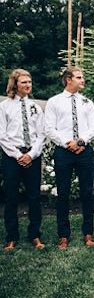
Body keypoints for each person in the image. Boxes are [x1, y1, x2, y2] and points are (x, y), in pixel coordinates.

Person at [44, 67, 94, 250]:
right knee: (63, 193)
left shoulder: (87, 102)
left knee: (87, 192)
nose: (83, 80)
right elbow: (50, 128)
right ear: (68, 79)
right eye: (79, 77)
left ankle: (88, 233)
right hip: (63, 151)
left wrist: (81, 141)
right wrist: (68, 143)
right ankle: (63, 235)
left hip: (84, 150)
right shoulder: (54, 102)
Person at [0, 69, 46, 251]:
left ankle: (35, 234)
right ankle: (12, 237)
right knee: (11, 197)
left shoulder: (35, 107)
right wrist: (18, 155)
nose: (28, 85)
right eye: (24, 82)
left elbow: (41, 134)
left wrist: (31, 154)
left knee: (34, 196)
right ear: (15, 84)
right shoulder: (5, 107)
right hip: (13, 156)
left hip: (32, 155)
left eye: (30, 82)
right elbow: (2, 136)